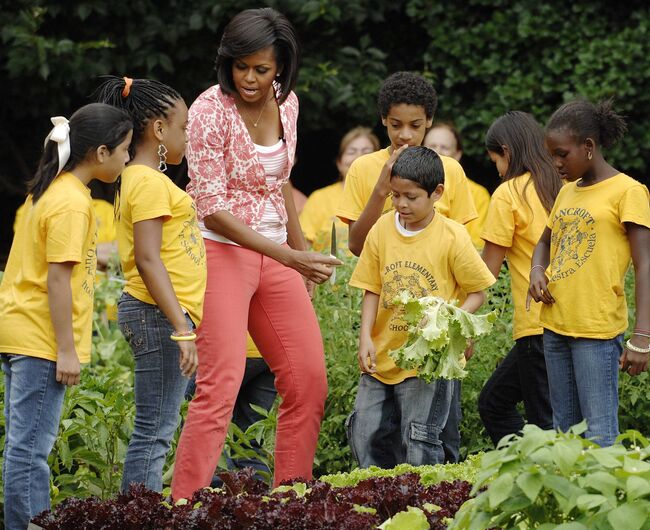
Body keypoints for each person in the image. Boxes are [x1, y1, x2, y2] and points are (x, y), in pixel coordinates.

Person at [171, 8, 340, 500]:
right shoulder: (208, 111)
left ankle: (291, 500)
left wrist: (300, 249)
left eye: (261, 69)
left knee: (308, 382)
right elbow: (213, 209)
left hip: (278, 256)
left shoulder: (288, 105)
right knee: (219, 388)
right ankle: (186, 506)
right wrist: (289, 256)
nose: (249, 78)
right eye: (240, 66)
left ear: (282, 68)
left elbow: (280, 181)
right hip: (223, 250)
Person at [0, 103, 132, 530]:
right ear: (100, 152)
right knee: (30, 450)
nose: (128, 159)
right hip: (39, 338)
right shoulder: (74, 204)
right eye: (125, 150)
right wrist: (66, 349)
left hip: (20, 330)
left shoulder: (50, 191)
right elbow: (58, 281)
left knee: (23, 446)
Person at [337, 72, 477, 463]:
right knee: (378, 433)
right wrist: (382, 187)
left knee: (435, 434)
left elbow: (465, 261)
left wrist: (464, 328)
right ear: (383, 120)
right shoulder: (365, 169)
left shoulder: (451, 171)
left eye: (415, 126)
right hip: (387, 329)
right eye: (396, 125)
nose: (404, 135)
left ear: (429, 121)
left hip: (436, 338)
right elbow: (356, 245)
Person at [347, 146, 495, 467]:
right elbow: (371, 288)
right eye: (396, 195)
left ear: (437, 193)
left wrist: (451, 322)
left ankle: (425, 511)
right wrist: (365, 338)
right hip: (381, 357)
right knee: (366, 434)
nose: (401, 204)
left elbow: (478, 291)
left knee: (421, 441)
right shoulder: (381, 230)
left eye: (411, 197)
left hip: (428, 363)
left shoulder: (453, 236)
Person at [95, 76, 206, 492]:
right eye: (185, 128)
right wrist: (181, 328)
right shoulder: (147, 182)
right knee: (154, 430)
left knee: (160, 425)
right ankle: (140, 517)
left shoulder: (147, 181)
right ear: (159, 130)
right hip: (158, 317)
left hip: (161, 316)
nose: (189, 138)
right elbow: (147, 258)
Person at [529, 99, 650, 447]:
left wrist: (642, 337)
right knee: (564, 435)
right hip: (555, 325)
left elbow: (645, 265)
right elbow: (545, 242)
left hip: (596, 332)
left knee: (599, 435)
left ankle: (604, 501)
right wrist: (538, 269)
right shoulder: (568, 192)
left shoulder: (628, 191)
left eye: (562, 154)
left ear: (589, 147)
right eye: (551, 154)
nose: (556, 163)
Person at [477, 111, 561, 446]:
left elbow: (486, 272)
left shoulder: (509, 193)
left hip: (535, 325)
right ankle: (525, 470)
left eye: (495, 160)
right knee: (495, 401)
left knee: (545, 424)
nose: (497, 169)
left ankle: (542, 484)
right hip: (569, 323)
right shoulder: (563, 185)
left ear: (507, 151)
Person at [300, 126, 380, 253]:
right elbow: (304, 246)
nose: (358, 157)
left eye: (366, 152)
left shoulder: (387, 197)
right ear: (339, 163)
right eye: (351, 152)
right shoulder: (319, 198)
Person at [423, 122, 491, 248]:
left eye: (445, 147)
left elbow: (477, 244)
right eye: (432, 146)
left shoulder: (478, 194)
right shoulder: (408, 185)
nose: (438, 151)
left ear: (457, 154)